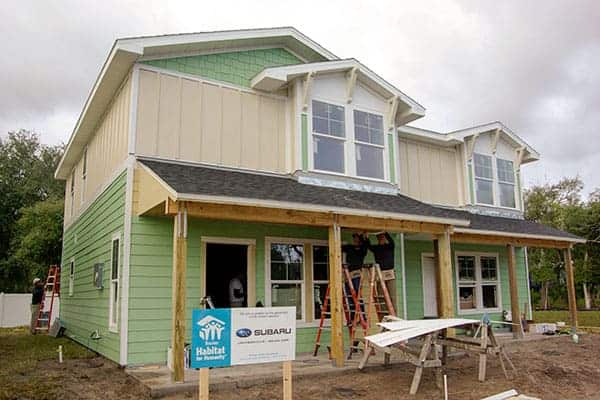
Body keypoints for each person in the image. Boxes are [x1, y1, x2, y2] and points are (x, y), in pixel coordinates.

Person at [341, 233, 368, 324]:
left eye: (356, 239)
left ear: (360, 240)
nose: (355, 240)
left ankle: (363, 317)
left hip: (357, 274)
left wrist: (365, 237)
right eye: (354, 239)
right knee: (350, 297)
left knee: (357, 295)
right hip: (348, 274)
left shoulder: (362, 249)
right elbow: (340, 247)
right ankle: (353, 318)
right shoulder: (349, 247)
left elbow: (366, 245)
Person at [367, 232, 396, 310]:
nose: (381, 239)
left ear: (385, 238)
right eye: (379, 238)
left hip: (390, 273)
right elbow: (369, 246)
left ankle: (394, 316)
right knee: (381, 296)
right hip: (380, 274)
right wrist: (366, 237)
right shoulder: (376, 248)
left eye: (382, 237)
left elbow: (392, 242)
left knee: (392, 295)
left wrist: (385, 232)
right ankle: (384, 315)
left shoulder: (389, 246)